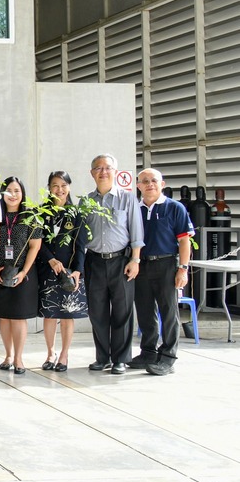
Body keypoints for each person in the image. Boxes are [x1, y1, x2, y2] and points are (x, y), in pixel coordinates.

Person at [84, 154, 144, 375]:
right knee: (97, 313)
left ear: (115, 172)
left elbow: (136, 231)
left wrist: (135, 260)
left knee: (122, 312)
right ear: (92, 173)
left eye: (108, 168)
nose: (103, 172)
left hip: (121, 262)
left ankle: (120, 359)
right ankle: (103, 357)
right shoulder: (86, 202)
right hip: (94, 262)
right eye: (98, 168)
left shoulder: (127, 199)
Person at [131, 168, 194, 376]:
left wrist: (183, 269)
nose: (150, 184)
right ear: (138, 186)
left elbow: (184, 241)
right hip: (141, 265)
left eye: (154, 180)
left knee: (169, 312)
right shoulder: (135, 209)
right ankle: (148, 352)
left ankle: (168, 357)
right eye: (145, 181)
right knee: (145, 311)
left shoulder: (175, 208)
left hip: (167, 265)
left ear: (162, 184)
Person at [0, 177, 42, 374]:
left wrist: (24, 271)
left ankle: (18, 358)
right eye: (8, 190)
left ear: (22, 193)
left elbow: (35, 247)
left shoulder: (31, 216)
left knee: (18, 317)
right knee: (4, 316)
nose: (13, 194)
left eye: (17, 190)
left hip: (22, 274)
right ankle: (8, 355)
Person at [36, 171, 87, 372]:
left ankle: (64, 355)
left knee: (67, 314)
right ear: (49, 188)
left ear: (69, 187)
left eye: (64, 185)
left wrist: (78, 271)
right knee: (49, 314)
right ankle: (50, 353)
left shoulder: (77, 213)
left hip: (69, 272)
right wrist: (50, 259)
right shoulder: (41, 213)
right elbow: (37, 242)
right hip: (47, 269)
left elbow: (81, 245)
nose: (60, 190)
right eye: (55, 185)